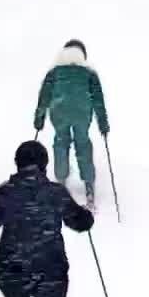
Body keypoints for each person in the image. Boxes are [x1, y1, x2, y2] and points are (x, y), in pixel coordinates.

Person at [0, 140, 95, 297]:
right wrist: (85, 216)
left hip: (12, 269)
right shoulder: (55, 192)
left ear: (18, 163)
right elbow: (80, 223)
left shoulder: (6, 191)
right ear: (44, 164)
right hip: (51, 269)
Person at [32, 39, 111, 208]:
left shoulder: (54, 73)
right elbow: (98, 101)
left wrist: (39, 119)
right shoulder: (89, 73)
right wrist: (103, 124)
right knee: (83, 143)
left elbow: (44, 97)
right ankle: (89, 186)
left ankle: (61, 181)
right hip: (82, 113)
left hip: (59, 110)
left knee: (61, 142)